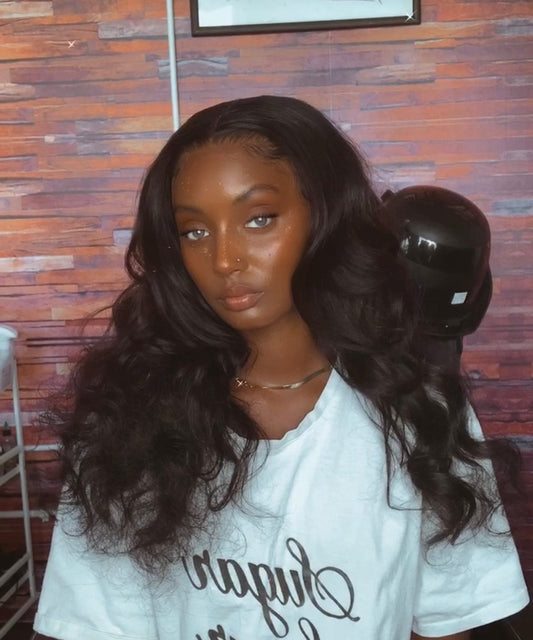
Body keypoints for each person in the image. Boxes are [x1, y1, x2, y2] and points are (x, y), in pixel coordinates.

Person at [34, 95, 528, 640]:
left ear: (326, 218)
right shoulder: (126, 422)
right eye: (195, 231)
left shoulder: (419, 413)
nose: (225, 259)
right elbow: (94, 627)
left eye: (259, 219)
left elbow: (454, 620)